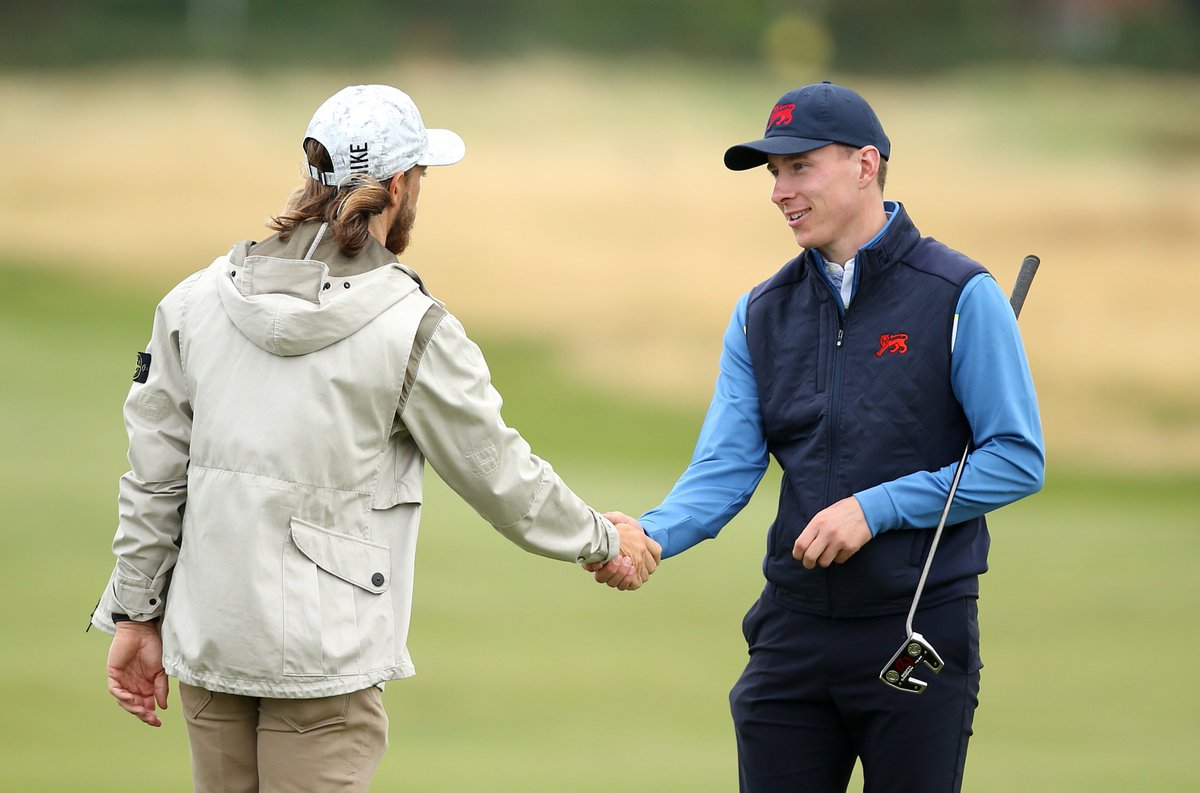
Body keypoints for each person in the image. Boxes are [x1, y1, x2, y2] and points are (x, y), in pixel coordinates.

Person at [90, 83, 661, 793]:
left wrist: (134, 615)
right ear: (398, 186)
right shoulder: (412, 325)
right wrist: (603, 540)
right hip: (324, 662)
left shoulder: (193, 302)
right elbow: (498, 473)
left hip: (209, 643)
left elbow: (153, 478)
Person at [588, 82, 1044, 792]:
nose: (780, 191)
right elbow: (726, 467)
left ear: (865, 165)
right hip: (792, 630)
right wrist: (650, 534)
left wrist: (873, 508)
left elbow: (1015, 458)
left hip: (915, 623)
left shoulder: (959, 294)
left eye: (800, 167)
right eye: (775, 173)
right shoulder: (761, 312)